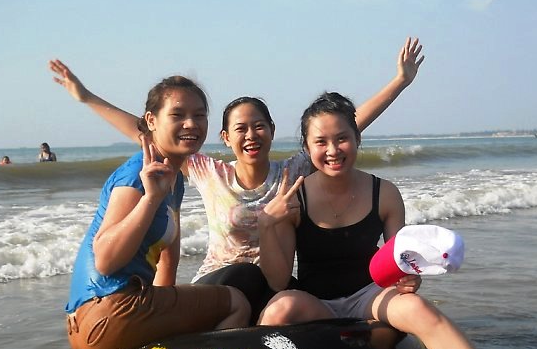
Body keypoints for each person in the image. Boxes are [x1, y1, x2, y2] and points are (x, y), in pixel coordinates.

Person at [49, 37, 424, 323]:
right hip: (220, 283)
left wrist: (400, 82)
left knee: (289, 292)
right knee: (247, 274)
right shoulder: (208, 172)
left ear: (271, 131)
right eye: (241, 128)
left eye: (259, 126)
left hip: (268, 285)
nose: (251, 135)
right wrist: (87, 97)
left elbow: (342, 130)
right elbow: (150, 136)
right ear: (226, 138)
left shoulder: (293, 172)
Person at [255, 92, 537, 349]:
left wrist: (410, 279)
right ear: (306, 147)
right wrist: (267, 226)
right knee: (280, 307)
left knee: (418, 308)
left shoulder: (383, 192)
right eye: (321, 142)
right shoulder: (293, 197)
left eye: (342, 138)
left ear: (357, 139)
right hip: (315, 302)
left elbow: (398, 259)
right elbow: (277, 280)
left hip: (369, 297)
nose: (333, 150)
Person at [65, 75, 249, 349]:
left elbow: (167, 262)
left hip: (105, 318)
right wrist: (150, 198)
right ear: (151, 120)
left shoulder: (172, 179)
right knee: (237, 302)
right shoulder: (137, 175)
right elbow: (105, 260)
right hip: (110, 313)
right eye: (178, 115)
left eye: (199, 115)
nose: (191, 124)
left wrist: (170, 311)